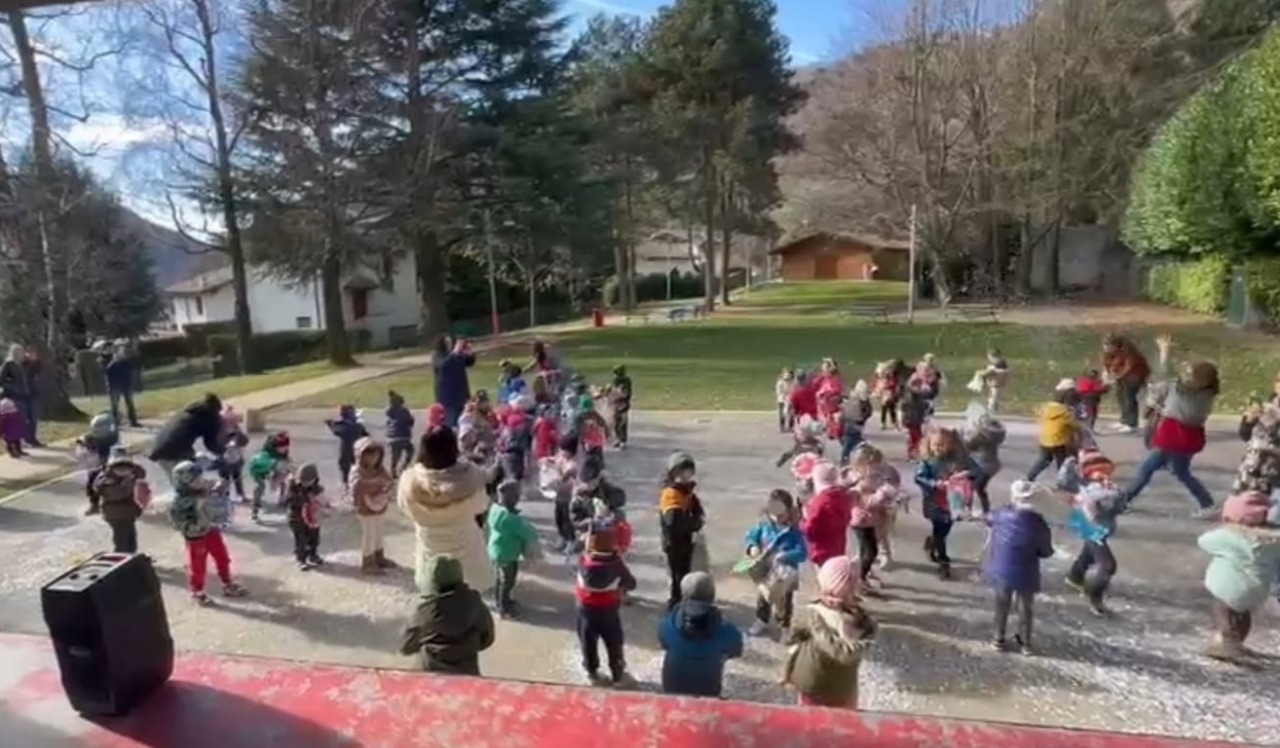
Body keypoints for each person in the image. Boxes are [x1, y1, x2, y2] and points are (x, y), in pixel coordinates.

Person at [1119, 334, 1219, 516]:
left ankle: (1124, 500)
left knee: (1146, 469)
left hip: (1172, 436)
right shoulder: (1208, 394)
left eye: (1190, 373)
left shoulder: (1181, 390)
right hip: (1189, 439)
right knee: (1182, 473)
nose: (1186, 374)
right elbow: (1170, 374)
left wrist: (1165, 351)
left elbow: (1164, 372)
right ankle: (1207, 503)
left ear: (1199, 379)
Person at [398, 425, 495, 595]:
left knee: (434, 590)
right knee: (469, 591)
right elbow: (482, 506)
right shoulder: (472, 476)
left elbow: (404, 509)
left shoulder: (409, 480)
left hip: (430, 544)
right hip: (466, 544)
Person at [782, 556, 877, 709]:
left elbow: (792, 642)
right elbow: (794, 641)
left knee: (808, 720)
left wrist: (787, 672)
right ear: (850, 587)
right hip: (839, 689)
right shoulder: (861, 622)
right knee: (843, 722)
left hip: (812, 683)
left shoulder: (811, 613)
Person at [1197, 492, 1280, 662]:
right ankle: (1238, 642)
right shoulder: (1270, 541)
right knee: (1243, 614)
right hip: (1257, 591)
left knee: (1223, 610)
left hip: (1229, 588)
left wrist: (1222, 528)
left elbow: (1204, 541)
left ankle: (1228, 642)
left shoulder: (1229, 537)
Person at [985, 480, 1054, 654]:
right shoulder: (1038, 522)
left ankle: (997, 638)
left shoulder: (1001, 514)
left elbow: (988, 518)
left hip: (1001, 567)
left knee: (1002, 603)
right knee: (1025, 606)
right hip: (1027, 570)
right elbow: (1046, 551)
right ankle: (1025, 642)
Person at [168, 460, 248, 605]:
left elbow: (215, 501)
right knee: (198, 565)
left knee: (222, 557)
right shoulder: (180, 502)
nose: (201, 480)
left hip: (211, 529)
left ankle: (227, 583)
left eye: (200, 477)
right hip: (195, 536)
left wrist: (219, 489)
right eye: (196, 479)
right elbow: (177, 522)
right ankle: (197, 591)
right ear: (185, 483)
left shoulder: (204, 489)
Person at [399, 555, 495, 675]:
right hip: (468, 676)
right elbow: (488, 639)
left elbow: (405, 647)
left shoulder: (424, 613)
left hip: (429, 677)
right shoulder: (476, 605)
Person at [1058, 449, 1123, 616]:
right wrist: (1113, 494)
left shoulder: (1103, 486)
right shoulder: (1087, 487)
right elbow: (1064, 482)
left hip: (1094, 526)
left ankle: (1075, 576)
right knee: (1108, 566)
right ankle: (1096, 599)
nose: (1104, 475)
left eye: (1106, 470)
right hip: (1093, 528)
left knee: (1089, 551)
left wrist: (1116, 494)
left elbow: (1120, 507)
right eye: (1098, 471)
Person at [658, 571, 744, 698]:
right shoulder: (726, 629)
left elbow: (663, 643)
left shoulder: (667, 624)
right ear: (712, 596)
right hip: (708, 690)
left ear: (683, 595)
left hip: (672, 689)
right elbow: (736, 651)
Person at [574, 522, 637, 688]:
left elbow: (584, 548)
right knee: (614, 642)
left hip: (585, 609)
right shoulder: (616, 565)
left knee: (588, 641)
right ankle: (617, 675)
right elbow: (631, 584)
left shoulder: (583, 561)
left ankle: (592, 672)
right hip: (608, 611)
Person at [915, 428, 982, 579]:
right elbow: (919, 477)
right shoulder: (928, 461)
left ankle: (931, 543)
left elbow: (977, 470)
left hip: (953, 501)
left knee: (944, 530)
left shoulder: (960, 460)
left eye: (942, 445)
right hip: (934, 501)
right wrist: (935, 483)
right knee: (940, 531)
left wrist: (967, 473)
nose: (938, 448)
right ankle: (943, 562)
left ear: (952, 445)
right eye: (935, 445)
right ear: (929, 445)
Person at [743, 489, 807, 636]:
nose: (777, 518)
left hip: (786, 574)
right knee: (763, 598)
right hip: (766, 570)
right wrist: (752, 547)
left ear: (789, 512)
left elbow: (802, 553)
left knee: (785, 603)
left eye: (781, 515)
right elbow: (750, 536)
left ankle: (784, 626)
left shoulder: (794, 532)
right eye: (774, 515)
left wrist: (787, 555)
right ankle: (762, 620)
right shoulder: (763, 526)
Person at [487, 479, 543, 618]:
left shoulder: (495, 509)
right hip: (507, 554)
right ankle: (503, 608)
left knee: (501, 580)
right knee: (507, 581)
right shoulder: (511, 519)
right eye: (517, 495)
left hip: (496, 551)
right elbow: (529, 532)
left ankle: (502, 602)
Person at [659, 452, 705, 609]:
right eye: (682, 473)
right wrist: (694, 523)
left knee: (685, 571)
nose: (686, 476)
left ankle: (685, 597)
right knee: (677, 574)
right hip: (674, 542)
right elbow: (673, 521)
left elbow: (695, 506)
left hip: (685, 540)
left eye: (689, 473)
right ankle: (676, 602)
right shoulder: (670, 494)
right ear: (673, 474)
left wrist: (697, 513)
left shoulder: (685, 490)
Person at [149, 394, 225, 486]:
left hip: (158, 450)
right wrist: (224, 454)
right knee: (191, 486)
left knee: (179, 486)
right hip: (175, 452)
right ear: (215, 409)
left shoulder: (188, 412)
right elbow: (211, 443)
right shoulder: (208, 417)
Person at [349, 437, 396, 574]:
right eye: (369, 456)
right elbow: (355, 487)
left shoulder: (380, 469)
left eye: (376, 455)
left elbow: (389, 481)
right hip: (364, 507)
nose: (373, 459)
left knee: (379, 532)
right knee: (369, 534)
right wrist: (374, 484)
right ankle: (367, 561)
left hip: (379, 505)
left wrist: (387, 488)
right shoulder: (357, 471)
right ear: (360, 456)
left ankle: (379, 556)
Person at [93, 446, 148, 553]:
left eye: (126, 467)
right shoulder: (106, 480)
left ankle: (131, 556)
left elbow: (142, 473)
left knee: (131, 538)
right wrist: (129, 482)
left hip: (129, 513)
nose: (123, 471)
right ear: (111, 467)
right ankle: (121, 558)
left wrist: (133, 469)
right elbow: (118, 494)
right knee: (121, 540)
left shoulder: (129, 475)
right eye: (119, 468)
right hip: (116, 515)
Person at [1025, 380, 1081, 481]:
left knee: (1044, 459)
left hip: (1045, 439)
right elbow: (1075, 425)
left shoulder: (1047, 408)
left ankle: (1030, 476)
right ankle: (1064, 480)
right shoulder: (1065, 412)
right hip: (1058, 441)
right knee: (1062, 461)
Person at [801, 461, 852, 569]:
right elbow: (848, 518)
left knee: (824, 579)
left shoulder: (819, 502)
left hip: (821, 550)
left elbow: (810, 530)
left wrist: (803, 521)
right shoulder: (843, 497)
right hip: (838, 548)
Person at [1101, 333, 1150, 433]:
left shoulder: (1129, 352)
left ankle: (1131, 423)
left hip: (1135, 375)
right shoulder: (1109, 353)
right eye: (1104, 345)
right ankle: (1124, 420)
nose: (1105, 347)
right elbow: (1106, 363)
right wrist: (1108, 373)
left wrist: (1116, 377)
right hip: (1121, 376)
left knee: (1129, 397)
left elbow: (1129, 367)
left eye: (1108, 345)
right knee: (1120, 396)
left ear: (1115, 345)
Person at [284, 463, 327, 570]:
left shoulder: (316, 488)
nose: (306, 484)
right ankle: (301, 559)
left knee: (314, 537)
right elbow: (288, 500)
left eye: (309, 482)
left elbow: (322, 498)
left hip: (312, 517)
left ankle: (313, 555)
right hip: (296, 517)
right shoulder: (293, 487)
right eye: (304, 482)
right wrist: (305, 500)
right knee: (301, 539)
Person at [964, 410, 1006, 516]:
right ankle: (986, 510)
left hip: (980, 464)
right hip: (992, 465)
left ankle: (968, 511)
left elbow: (967, 445)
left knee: (970, 486)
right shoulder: (995, 434)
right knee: (980, 489)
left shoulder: (980, 435)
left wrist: (967, 432)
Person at [431, 335, 476, 428]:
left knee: (464, 420)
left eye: (450, 342)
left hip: (461, 393)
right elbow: (444, 366)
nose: (449, 344)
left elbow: (468, 362)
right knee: (451, 422)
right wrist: (455, 352)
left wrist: (470, 351)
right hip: (448, 397)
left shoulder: (455, 355)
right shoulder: (437, 355)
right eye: (447, 342)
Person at [79, 413, 119, 515]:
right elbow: (83, 441)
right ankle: (94, 504)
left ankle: (116, 503)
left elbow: (117, 453)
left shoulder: (113, 438)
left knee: (116, 482)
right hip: (97, 466)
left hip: (112, 465)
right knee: (92, 480)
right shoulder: (91, 438)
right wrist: (85, 443)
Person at [247, 432, 290, 522]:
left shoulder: (283, 455)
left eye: (286, 447)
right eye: (283, 448)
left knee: (285, 478)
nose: (285, 449)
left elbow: (287, 465)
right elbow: (257, 464)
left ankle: (282, 499)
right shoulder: (264, 455)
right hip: (258, 471)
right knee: (260, 487)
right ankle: (255, 508)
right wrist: (272, 475)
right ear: (276, 447)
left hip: (272, 469)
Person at [325, 404, 369, 487]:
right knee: (358, 471)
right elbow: (366, 435)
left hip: (347, 452)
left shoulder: (345, 426)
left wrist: (331, 424)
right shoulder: (358, 426)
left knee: (345, 473)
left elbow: (336, 431)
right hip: (357, 451)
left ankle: (347, 487)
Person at [0, 344, 34, 447]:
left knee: (21, 421)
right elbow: (2, 380)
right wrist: (12, 387)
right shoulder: (8, 364)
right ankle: (11, 445)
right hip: (13, 397)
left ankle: (19, 445)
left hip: (23, 396)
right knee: (13, 422)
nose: (23, 354)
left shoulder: (21, 365)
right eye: (20, 352)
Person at [104, 342, 141, 430]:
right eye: (121, 352)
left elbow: (131, 372)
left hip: (125, 385)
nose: (123, 353)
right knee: (115, 406)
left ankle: (133, 421)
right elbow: (107, 375)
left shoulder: (126, 363)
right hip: (115, 386)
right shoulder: (111, 364)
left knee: (129, 403)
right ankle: (115, 423)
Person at [837, 381, 873, 465]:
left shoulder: (852, 399)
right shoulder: (861, 401)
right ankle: (862, 451)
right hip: (855, 423)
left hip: (851, 424)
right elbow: (868, 412)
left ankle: (845, 459)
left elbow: (845, 412)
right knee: (852, 439)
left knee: (849, 440)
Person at [385, 390, 416, 477]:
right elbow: (410, 422)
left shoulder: (389, 411)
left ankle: (393, 468)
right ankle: (404, 467)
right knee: (410, 450)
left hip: (391, 437)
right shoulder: (404, 411)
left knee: (395, 454)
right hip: (402, 436)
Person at [605, 365, 633, 449]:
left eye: (616, 374)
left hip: (623, 406)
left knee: (622, 423)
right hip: (615, 405)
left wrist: (616, 391)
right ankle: (618, 439)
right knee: (616, 423)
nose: (614, 376)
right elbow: (609, 393)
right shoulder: (615, 382)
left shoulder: (625, 383)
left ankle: (623, 440)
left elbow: (625, 394)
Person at [775, 368, 796, 433]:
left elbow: (795, 390)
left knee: (792, 414)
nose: (787, 377)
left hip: (791, 399)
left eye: (788, 375)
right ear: (783, 375)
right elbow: (778, 392)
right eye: (786, 375)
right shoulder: (780, 382)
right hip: (782, 399)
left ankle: (791, 427)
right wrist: (784, 396)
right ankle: (782, 427)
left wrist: (791, 397)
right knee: (782, 414)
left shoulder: (793, 382)